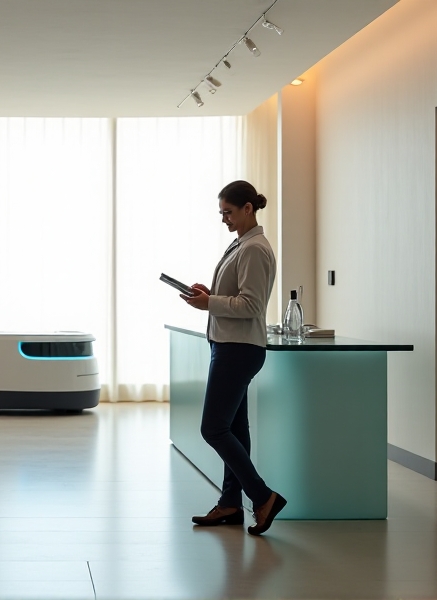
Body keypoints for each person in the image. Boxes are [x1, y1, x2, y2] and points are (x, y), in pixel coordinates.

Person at [181, 180, 287, 536]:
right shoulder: (241, 243)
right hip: (229, 345)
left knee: (213, 428)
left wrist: (209, 303)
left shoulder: (255, 248)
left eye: (228, 212)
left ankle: (263, 497)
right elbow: (238, 297)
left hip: (238, 350)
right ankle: (229, 503)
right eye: (221, 213)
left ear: (248, 209)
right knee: (235, 431)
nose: (224, 219)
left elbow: (252, 305)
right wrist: (209, 295)